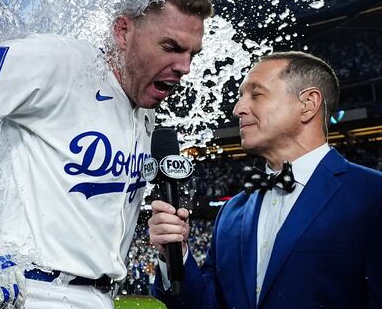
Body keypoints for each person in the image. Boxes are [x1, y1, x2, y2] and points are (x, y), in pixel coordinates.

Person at [0, 0, 213, 308]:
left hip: (101, 297)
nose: (185, 67)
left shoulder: (144, 113)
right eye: (170, 47)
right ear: (123, 31)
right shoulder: (58, 61)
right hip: (32, 292)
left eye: (192, 54)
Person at [148, 51, 382, 309]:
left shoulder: (372, 196)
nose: (238, 109)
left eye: (256, 94)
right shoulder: (231, 212)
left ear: (308, 104)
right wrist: (177, 255)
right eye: (240, 97)